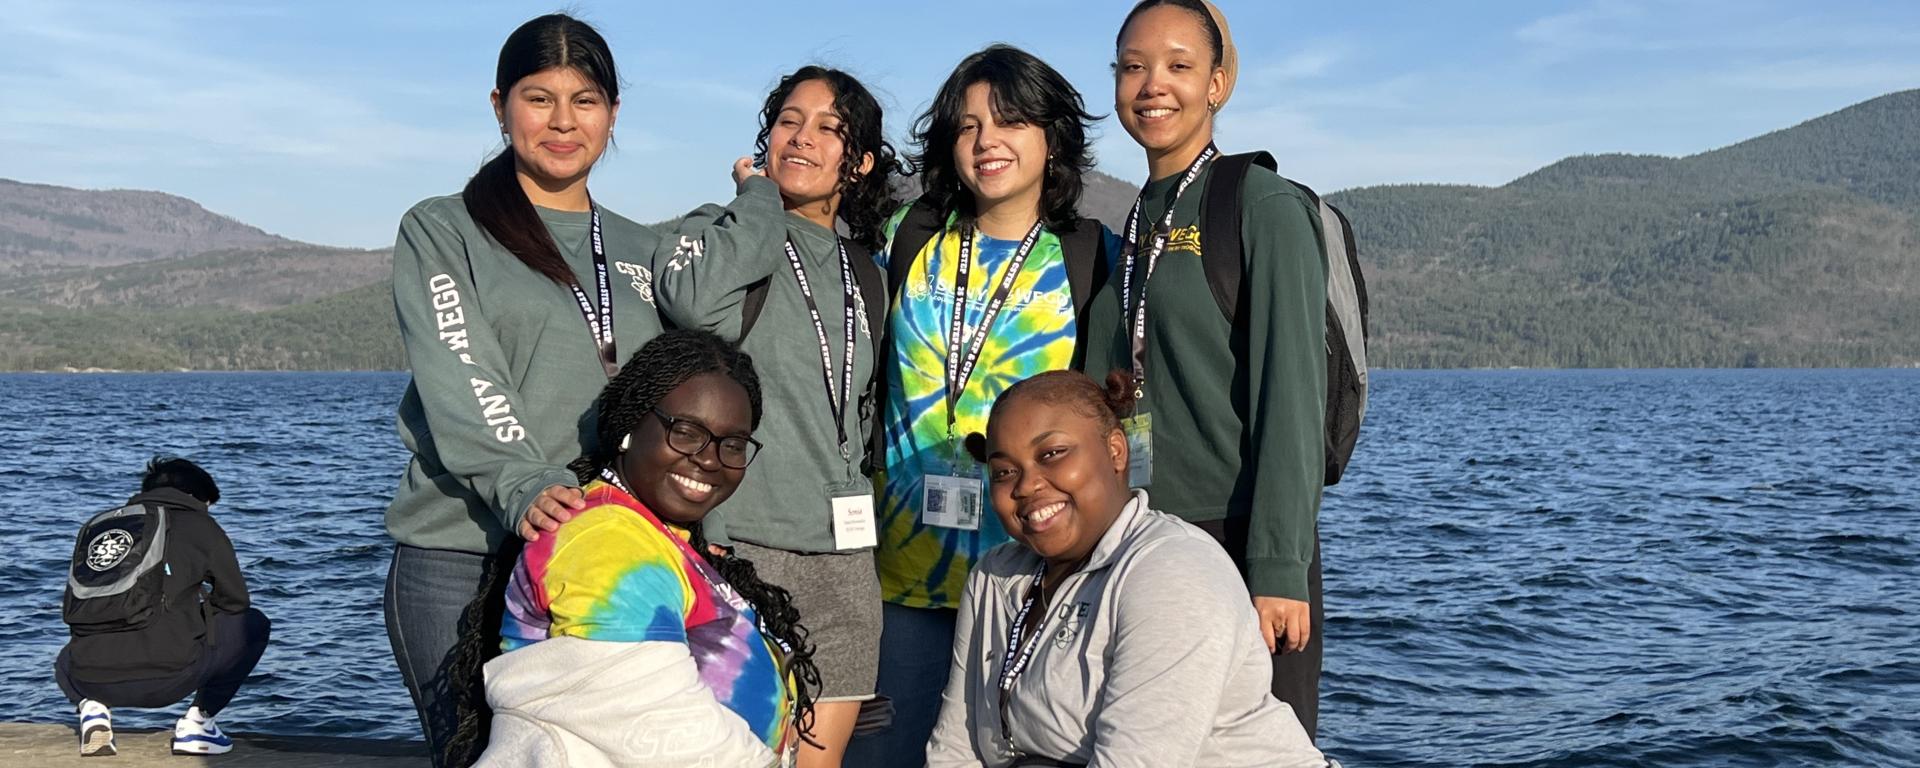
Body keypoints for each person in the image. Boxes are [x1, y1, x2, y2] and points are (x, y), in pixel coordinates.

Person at [382, 13, 663, 766]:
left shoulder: (645, 248)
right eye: (540, 99)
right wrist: (525, 483)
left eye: (585, 100)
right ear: (500, 105)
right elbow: (462, 372)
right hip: (464, 553)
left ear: (613, 112)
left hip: (605, 556)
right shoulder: (445, 229)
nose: (563, 122)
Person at [848, 44, 1113, 766]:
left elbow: (1123, 425)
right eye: (967, 127)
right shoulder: (912, 238)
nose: (986, 141)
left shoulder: (1092, 259)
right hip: (899, 576)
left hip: (1032, 582)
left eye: (1010, 121)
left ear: (1052, 138)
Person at [1079, 0, 1332, 738]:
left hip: (1237, 538)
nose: (1153, 84)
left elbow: (1292, 395)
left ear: (1218, 83)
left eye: (1179, 65)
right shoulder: (1135, 220)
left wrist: (1279, 567)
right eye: (1133, 67)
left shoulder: (1264, 205)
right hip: (1140, 538)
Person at [652, 65, 899, 768]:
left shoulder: (868, 271)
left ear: (861, 161)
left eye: (829, 128)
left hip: (846, 564)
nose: (802, 138)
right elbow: (695, 303)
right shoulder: (725, 231)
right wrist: (757, 196)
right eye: (789, 121)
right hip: (742, 550)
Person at [924, 371, 1324, 767]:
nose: (1026, 486)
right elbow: (955, 749)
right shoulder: (994, 578)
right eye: (1004, 472)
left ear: (1116, 451)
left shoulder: (1174, 574)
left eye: (1051, 454)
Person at [466, 330, 817, 766]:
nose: (709, 459)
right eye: (686, 432)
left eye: (733, 444)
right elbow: (665, 731)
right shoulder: (605, 543)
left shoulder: (660, 534)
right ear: (631, 424)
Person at [55, 457, 271, 757]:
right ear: (198, 497)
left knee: (70, 653)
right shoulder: (200, 524)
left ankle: (92, 709)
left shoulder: (99, 526)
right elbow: (236, 601)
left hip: (85, 676)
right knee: (254, 623)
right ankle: (199, 724)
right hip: (169, 679)